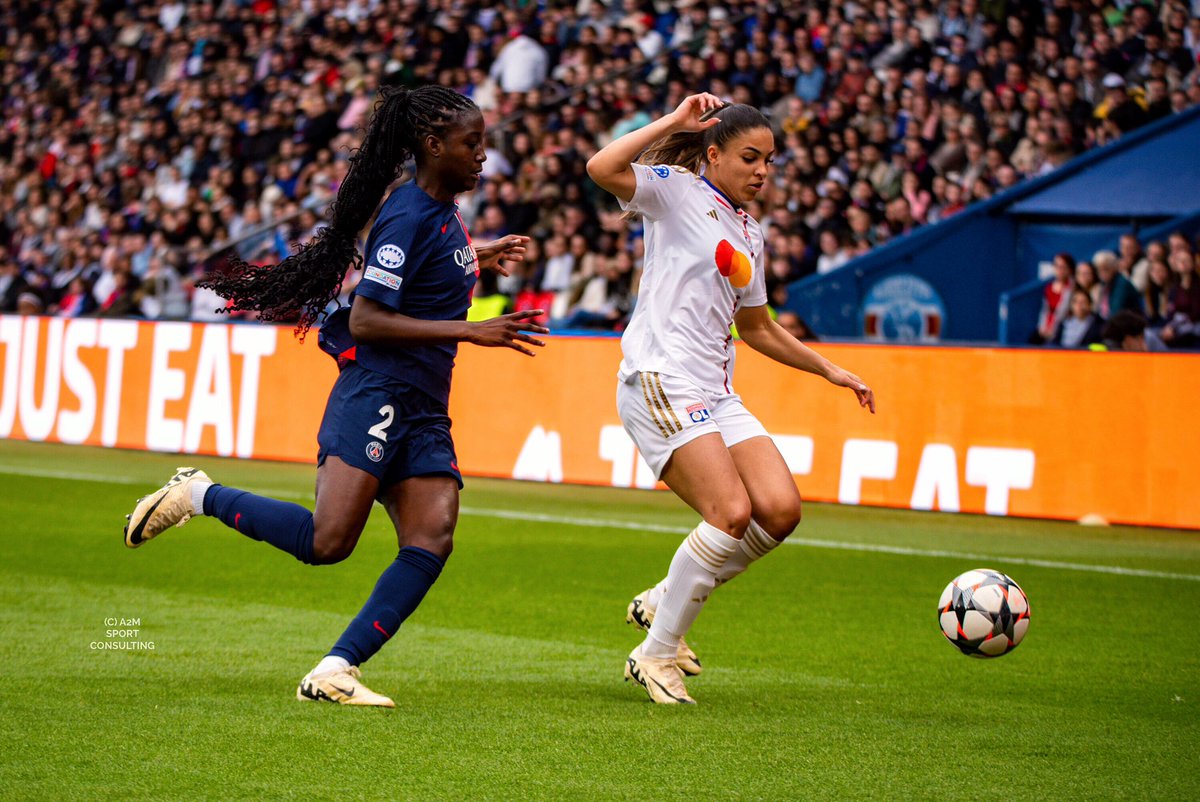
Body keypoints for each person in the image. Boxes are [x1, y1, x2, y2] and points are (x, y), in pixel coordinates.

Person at [122, 85, 549, 708]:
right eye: (472, 143)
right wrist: (471, 329)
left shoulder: (442, 212)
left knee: (432, 535)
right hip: (377, 391)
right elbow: (371, 319)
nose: (483, 155)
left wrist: (476, 257)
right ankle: (198, 494)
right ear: (433, 146)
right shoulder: (407, 212)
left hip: (424, 403)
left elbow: (422, 265)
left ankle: (335, 669)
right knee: (328, 544)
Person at [586, 95, 875, 705]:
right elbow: (601, 168)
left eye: (770, 160)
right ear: (713, 153)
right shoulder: (676, 192)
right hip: (660, 379)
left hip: (716, 391)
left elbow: (759, 327)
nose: (763, 171)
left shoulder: (751, 231)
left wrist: (830, 370)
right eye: (750, 157)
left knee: (779, 510)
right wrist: (672, 123)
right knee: (729, 513)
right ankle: (657, 652)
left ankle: (664, 599)